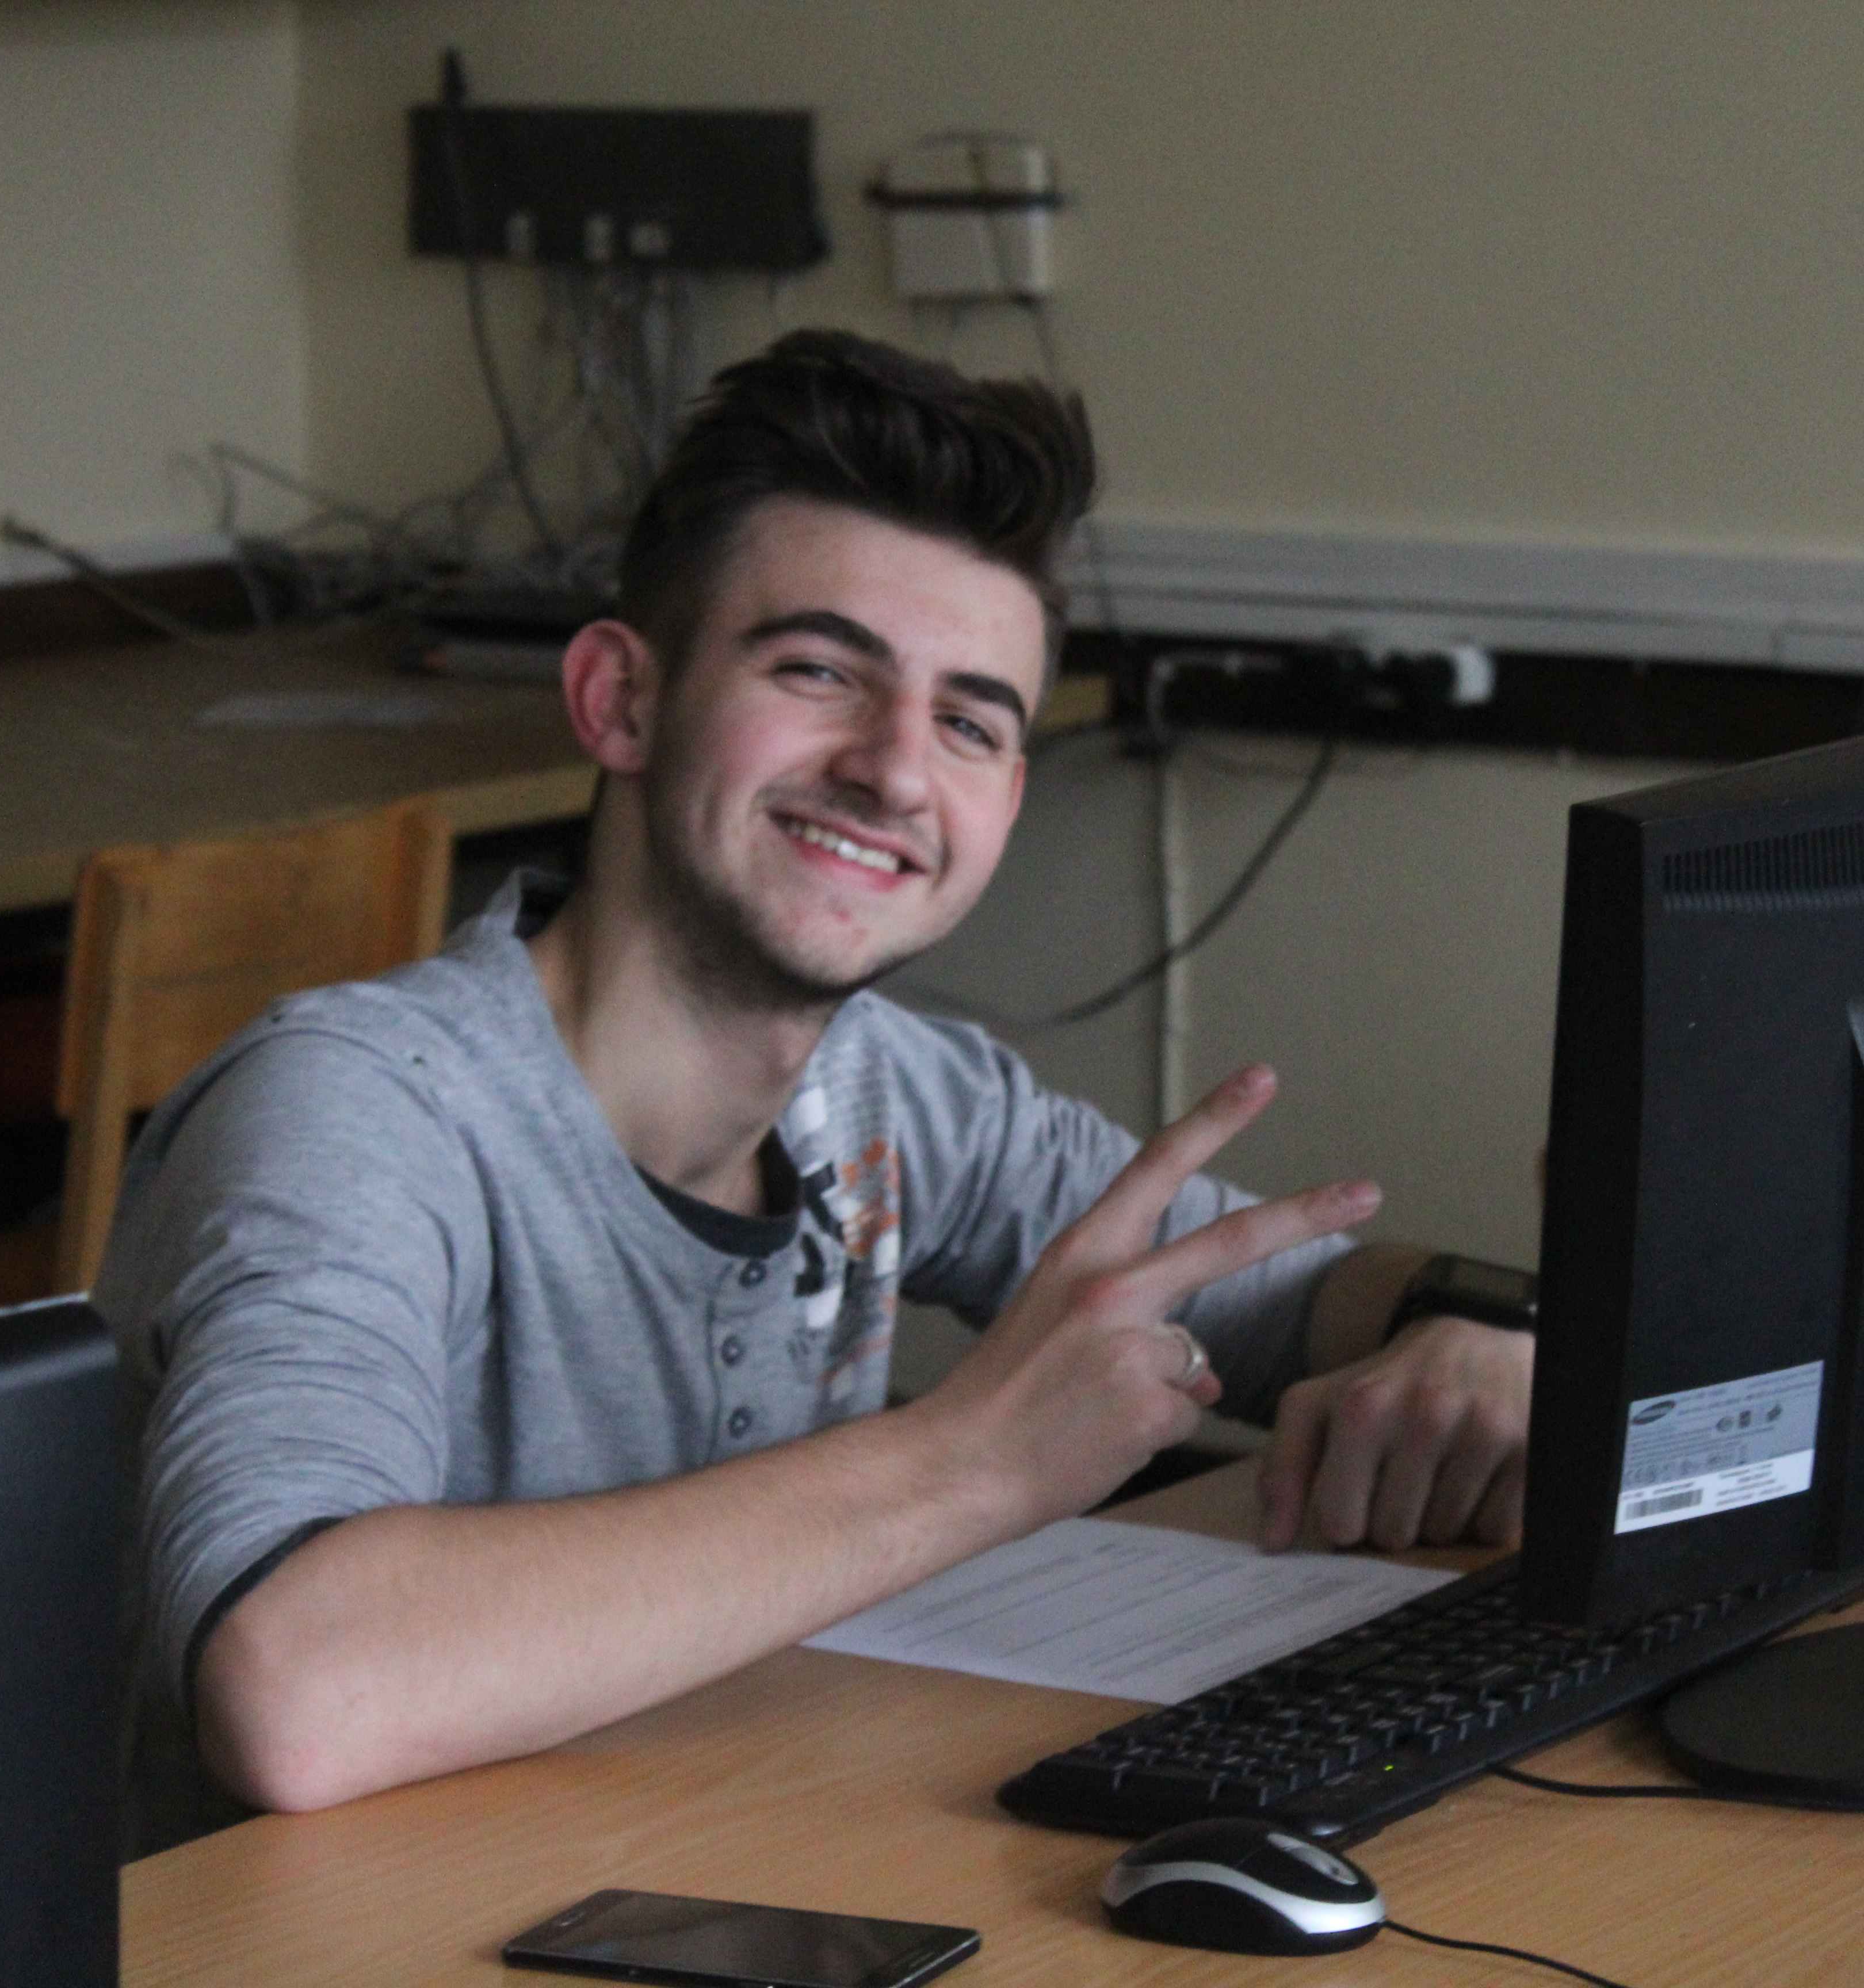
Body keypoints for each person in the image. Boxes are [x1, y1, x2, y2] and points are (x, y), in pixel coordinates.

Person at [102, 331, 1534, 1853]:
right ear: (620, 699)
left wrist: (1484, 1336)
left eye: (968, 722)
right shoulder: (357, 1116)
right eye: (820, 672)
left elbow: (1298, 1299)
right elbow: (295, 1689)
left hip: (670, 1885)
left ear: (1004, 801)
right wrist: (968, 1462)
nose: (895, 772)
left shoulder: (893, 1093)